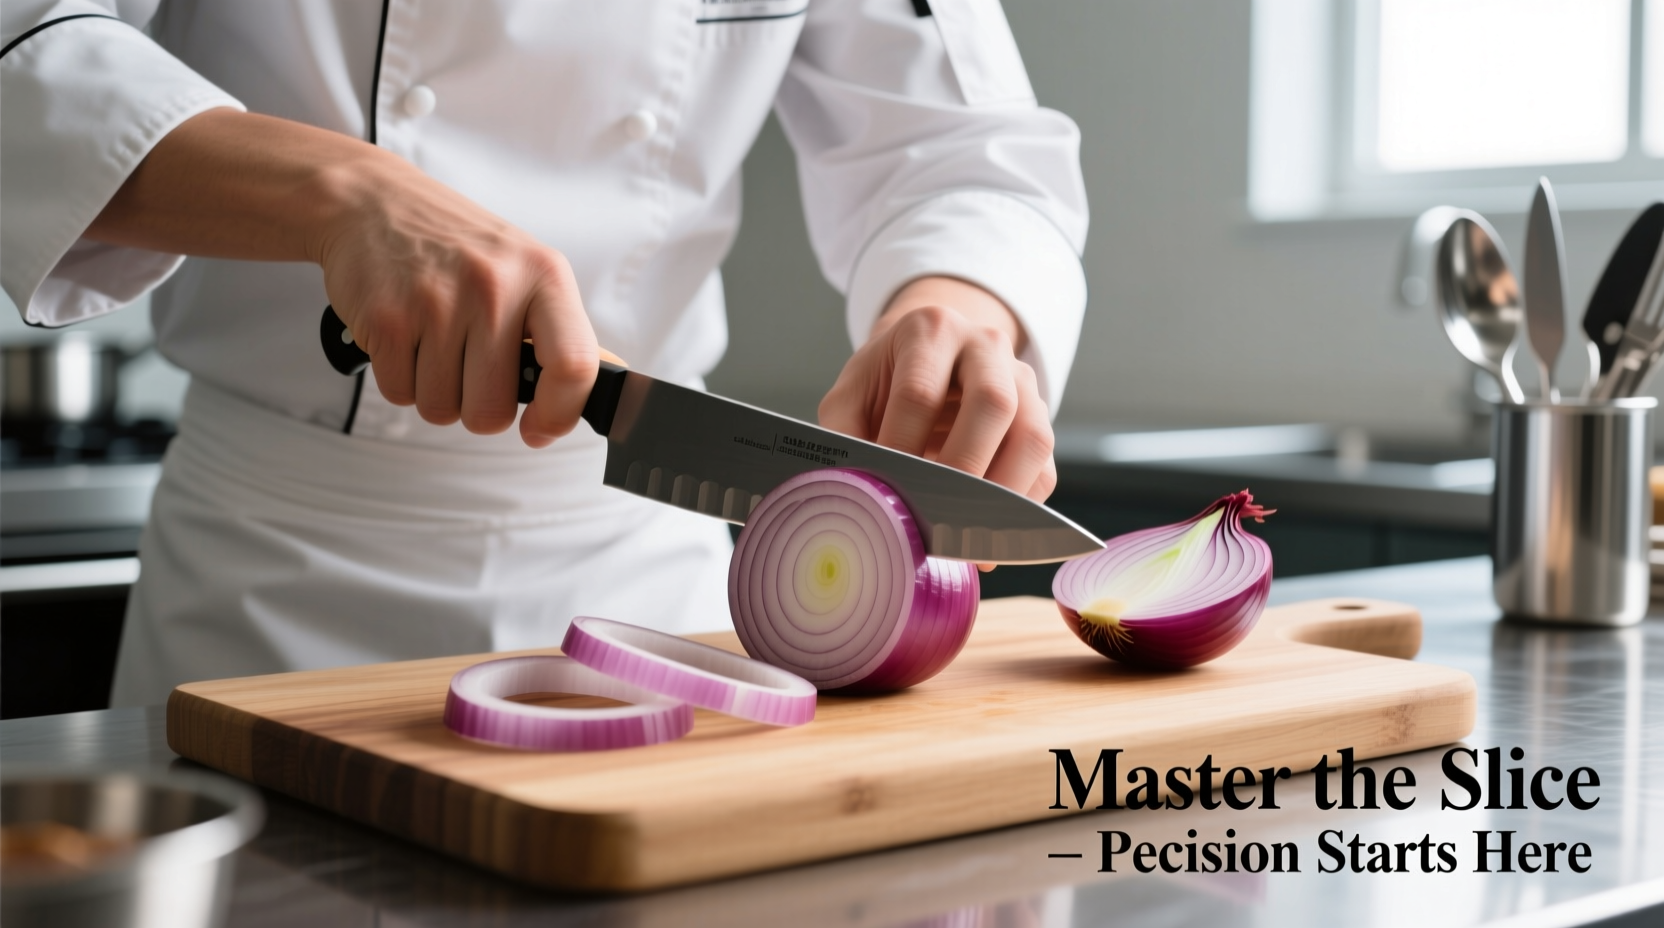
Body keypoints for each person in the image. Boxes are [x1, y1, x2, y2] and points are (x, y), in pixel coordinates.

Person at [0, 0, 1088, 706]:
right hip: (268, 595)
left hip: (648, 598)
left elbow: (957, 142)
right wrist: (338, 192)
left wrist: (963, 302)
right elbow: (29, 51)